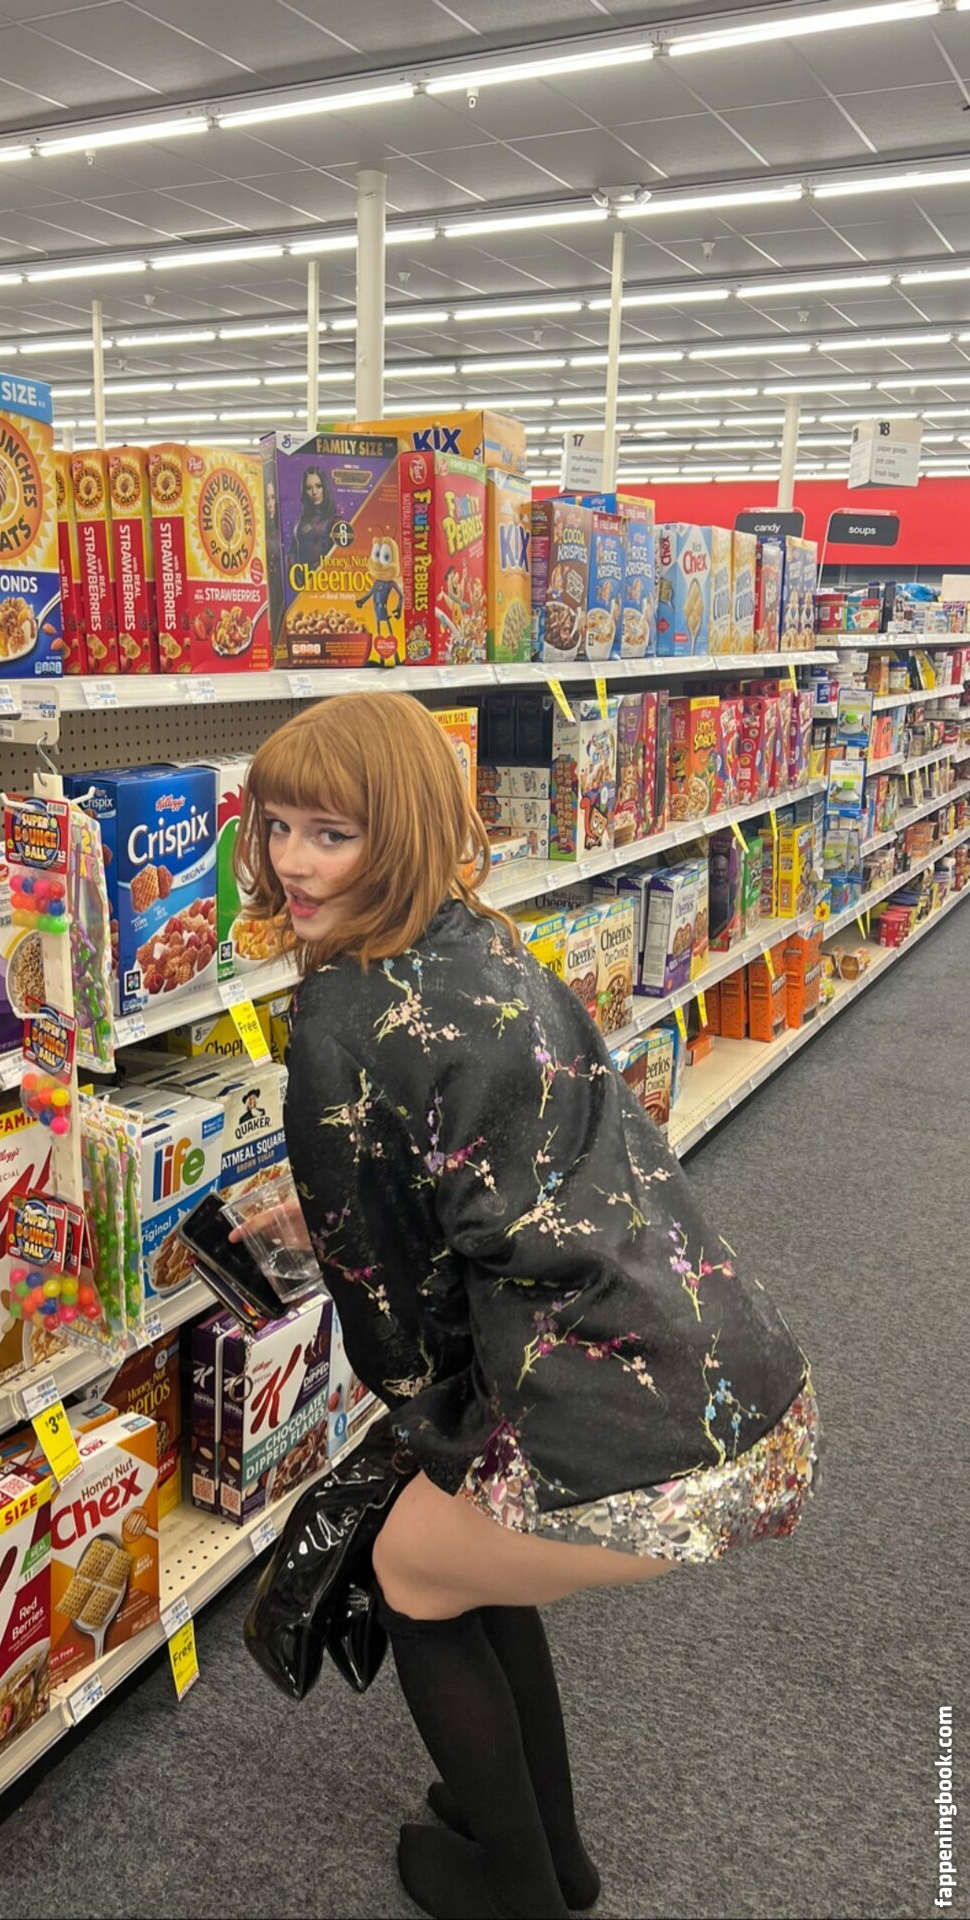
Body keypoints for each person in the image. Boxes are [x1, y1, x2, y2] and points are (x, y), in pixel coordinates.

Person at [234, 691, 822, 1920]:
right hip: (732, 1379)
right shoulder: (485, 946)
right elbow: (517, 1152)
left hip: (630, 1433)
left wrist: (418, 1417)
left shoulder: (339, 1018)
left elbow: (393, 1317)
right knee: (469, 1563)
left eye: (331, 834)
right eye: (278, 825)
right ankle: (554, 1854)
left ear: (400, 830)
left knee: (407, 1570)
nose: (292, 860)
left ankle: (519, 1892)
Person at [287, 466, 339, 572]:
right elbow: (291, 553)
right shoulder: (300, 522)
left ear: (324, 487)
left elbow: (341, 558)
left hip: (326, 578)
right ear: (304, 491)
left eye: (318, 486)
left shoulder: (335, 522)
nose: (314, 492)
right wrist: (295, 573)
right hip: (302, 579)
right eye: (309, 488)